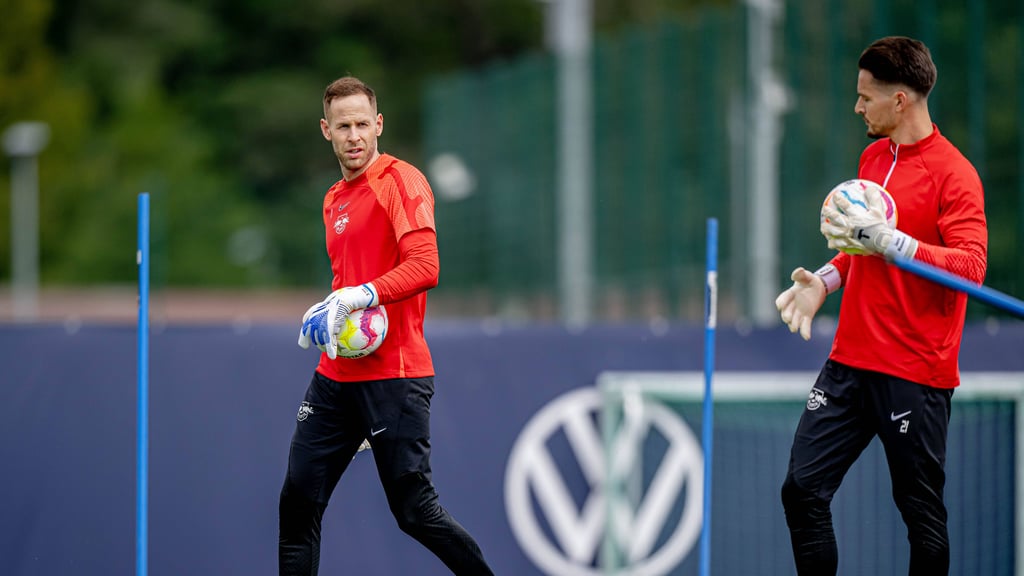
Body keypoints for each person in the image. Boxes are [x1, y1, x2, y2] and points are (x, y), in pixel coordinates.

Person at [775, 36, 987, 575]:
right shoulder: (872, 157)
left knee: (921, 517)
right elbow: (860, 246)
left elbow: (971, 267)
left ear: (900, 100)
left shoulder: (955, 174)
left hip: (915, 370)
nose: (857, 107)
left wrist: (899, 244)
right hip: (851, 360)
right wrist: (824, 282)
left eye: (866, 97)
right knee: (801, 490)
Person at [279, 76, 495, 576]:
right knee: (297, 505)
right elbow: (347, 282)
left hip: (394, 376)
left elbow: (426, 266)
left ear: (378, 125)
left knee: (415, 512)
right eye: (342, 126)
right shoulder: (333, 198)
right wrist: (326, 313)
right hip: (336, 377)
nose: (354, 136)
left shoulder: (401, 180)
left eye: (362, 124)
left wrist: (361, 294)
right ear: (326, 131)